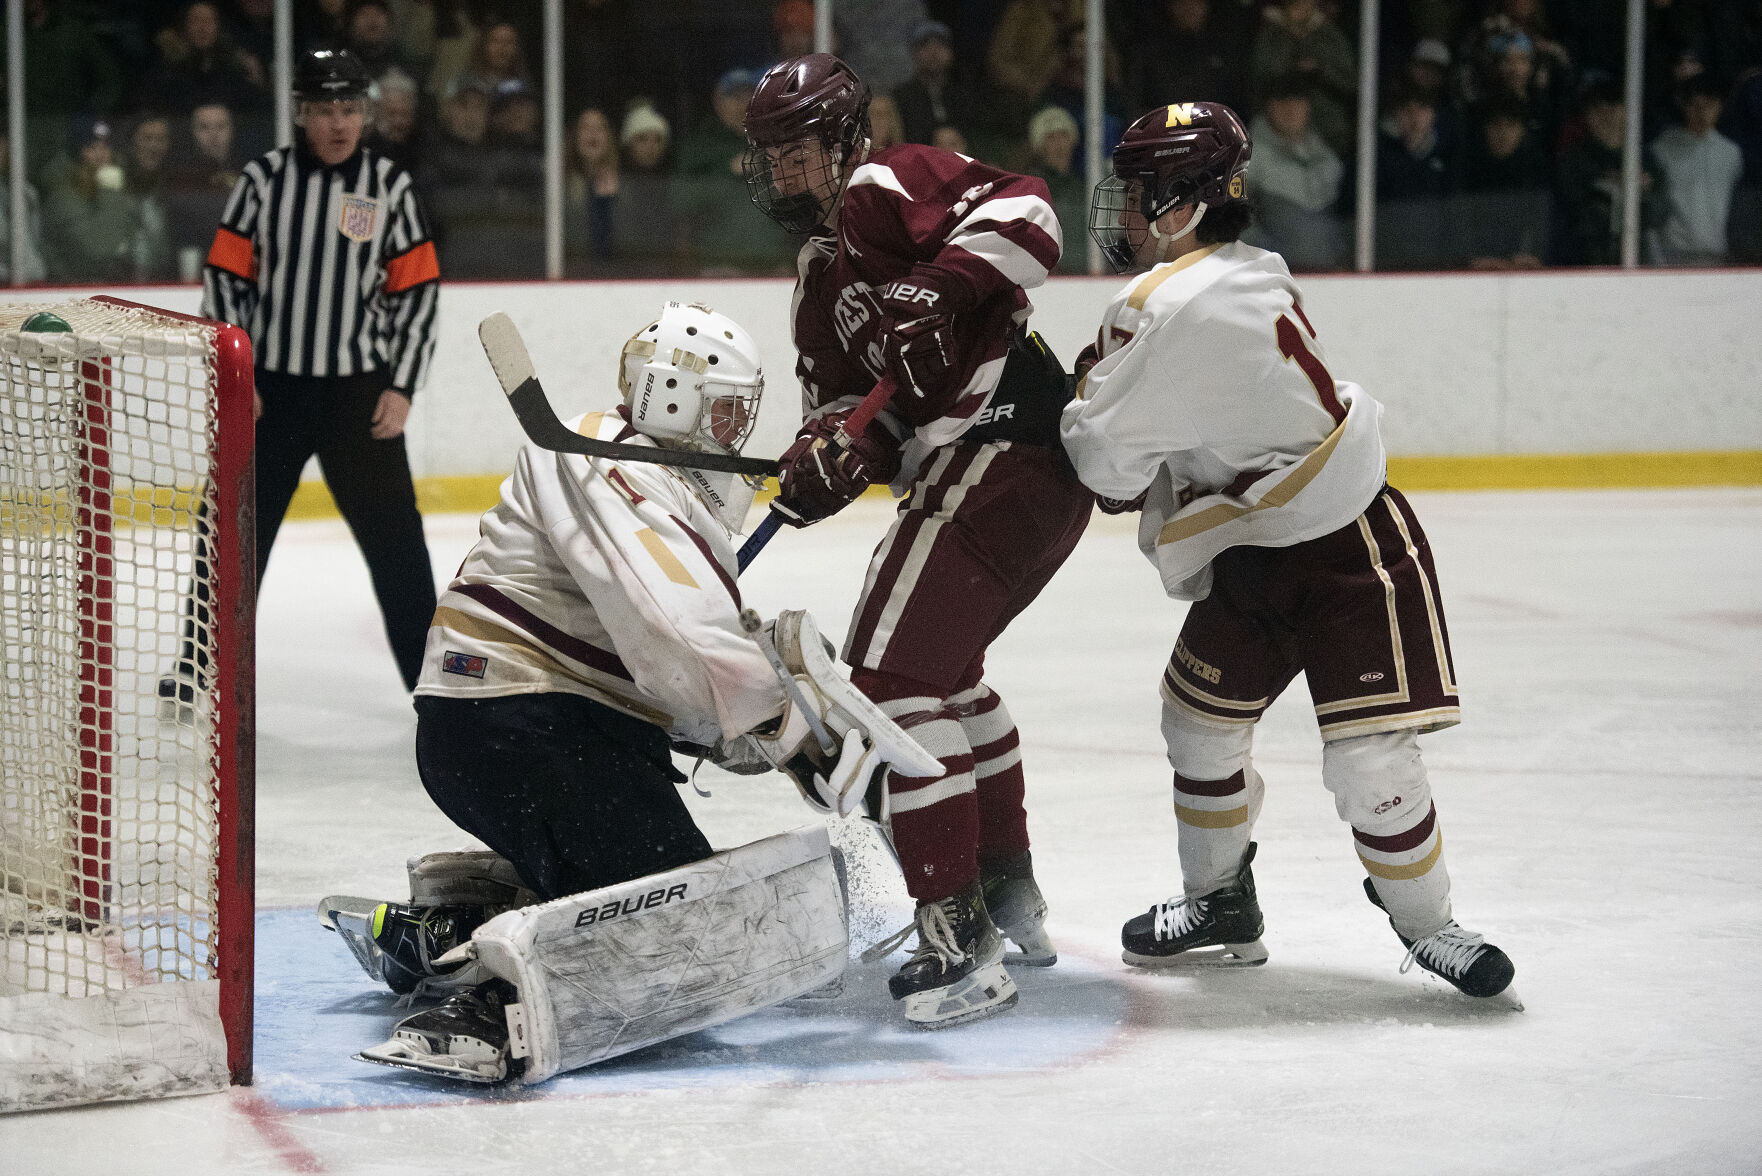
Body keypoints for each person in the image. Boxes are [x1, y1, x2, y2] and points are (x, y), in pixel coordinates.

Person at [322, 302, 936, 1083]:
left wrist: (759, 731)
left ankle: (446, 926)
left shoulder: (654, 479)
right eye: (723, 407)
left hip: (541, 729)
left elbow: (672, 667)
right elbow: (674, 633)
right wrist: (786, 732)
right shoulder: (609, 459)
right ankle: (488, 1006)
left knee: (655, 890)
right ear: (670, 396)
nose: (733, 427)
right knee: (684, 930)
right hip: (517, 724)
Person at [1059, 103, 1517, 1004]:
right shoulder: (1241, 273)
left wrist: (1070, 405)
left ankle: (1431, 928)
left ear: (1187, 203)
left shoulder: (1169, 305)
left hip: (1345, 544)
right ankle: (1221, 904)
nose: (1126, 212)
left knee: (1371, 761)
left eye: (1144, 193)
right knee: (1197, 723)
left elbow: (1103, 462)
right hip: (1252, 542)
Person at [742, 54, 1093, 1028]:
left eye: (798, 152)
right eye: (769, 158)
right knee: (942, 682)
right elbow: (856, 419)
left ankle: (957, 936)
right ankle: (1005, 887)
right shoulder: (819, 278)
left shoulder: (882, 185)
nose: (782, 175)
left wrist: (940, 284)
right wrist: (826, 459)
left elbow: (1030, 215)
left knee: (889, 685)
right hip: (985, 467)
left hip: (1006, 440)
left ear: (845, 140)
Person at [201, 49, 439, 691]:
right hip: (268, 396)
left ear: (364, 113)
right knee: (232, 535)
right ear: (301, 113)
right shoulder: (261, 181)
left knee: (399, 550)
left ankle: (435, 685)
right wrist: (237, 374)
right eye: (325, 110)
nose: (338, 123)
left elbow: (416, 290)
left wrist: (401, 384)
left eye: (349, 109)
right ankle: (202, 669)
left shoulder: (388, 186)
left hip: (357, 397)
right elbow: (226, 280)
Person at [1650, 74, 1743, 265]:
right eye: (1693, 105)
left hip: (1717, 254)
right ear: (1683, 106)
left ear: (1719, 106)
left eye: (1708, 104)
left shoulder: (1731, 153)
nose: (1701, 113)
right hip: (1672, 255)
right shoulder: (1662, 149)